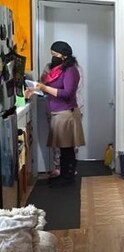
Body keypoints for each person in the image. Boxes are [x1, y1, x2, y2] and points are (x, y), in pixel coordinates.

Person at [26, 41, 85, 185]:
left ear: (64, 55)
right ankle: (64, 174)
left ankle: (67, 177)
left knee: (67, 148)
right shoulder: (55, 70)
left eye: (55, 54)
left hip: (66, 113)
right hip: (56, 112)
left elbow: (66, 93)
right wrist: (34, 89)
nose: (52, 57)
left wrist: (44, 88)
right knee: (63, 147)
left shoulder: (71, 70)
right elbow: (47, 87)